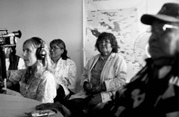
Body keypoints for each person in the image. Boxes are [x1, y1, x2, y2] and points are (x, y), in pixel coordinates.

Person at [36, 3, 179, 117]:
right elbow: (121, 99)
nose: (153, 37)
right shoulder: (149, 69)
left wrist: (102, 87)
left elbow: (121, 82)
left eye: (163, 29)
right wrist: (74, 103)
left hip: (103, 94)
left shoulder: (173, 79)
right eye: (152, 31)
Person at [65, 32, 128, 116]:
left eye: (106, 42)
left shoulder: (118, 60)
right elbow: (84, 74)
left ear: (112, 44)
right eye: (100, 42)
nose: (103, 44)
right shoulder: (93, 59)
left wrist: (102, 86)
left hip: (107, 93)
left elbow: (121, 80)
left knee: (91, 104)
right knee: (71, 103)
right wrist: (86, 83)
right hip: (89, 92)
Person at [4, 37, 57, 103]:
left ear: (40, 54)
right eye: (24, 51)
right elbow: (6, 74)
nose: (23, 54)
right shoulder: (26, 73)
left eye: (28, 50)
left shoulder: (46, 78)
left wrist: (17, 96)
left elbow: (42, 109)